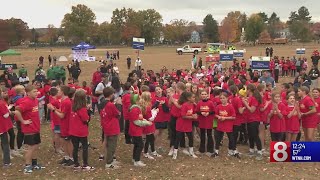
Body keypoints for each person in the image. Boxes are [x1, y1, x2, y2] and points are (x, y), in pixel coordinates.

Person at [14, 85, 44, 174]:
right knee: (31, 147)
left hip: (36, 127)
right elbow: (16, 111)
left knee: (36, 146)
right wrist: (23, 121)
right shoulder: (26, 101)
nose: (37, 93)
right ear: (28, 93)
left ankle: (34, 164)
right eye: (34, 92)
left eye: (36, 91)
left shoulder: (34, 100)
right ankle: (27, 166)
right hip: (29, 129)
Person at [47, 85, 74, 166]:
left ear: (62, 92)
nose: (57, 92)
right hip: (63, 124)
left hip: (67, 124)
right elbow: (61, 111)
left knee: (68, 142)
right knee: (64, 141)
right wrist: (54, 108)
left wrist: (53, 109)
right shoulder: (62, 101)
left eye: (58, 91)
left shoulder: (66, 101)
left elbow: (62, 115)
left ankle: (71, 158)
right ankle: (66, 157)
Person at [69, 89, 94, 170]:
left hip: (73, 130)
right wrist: (89, 112)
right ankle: (85, 164)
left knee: (75, 147)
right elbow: (86, 120)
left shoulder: (73, 106)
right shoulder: (82, 109)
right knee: (84, 147)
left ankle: (76, 164)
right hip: (81, 131)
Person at [172, 91, 198, 160]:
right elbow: (183, 115)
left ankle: (191, 152)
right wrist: (192, 117)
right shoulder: (185, 105)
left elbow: (193, 112)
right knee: (178, 138)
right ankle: (175, 153)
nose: (194, 98)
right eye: (193, 97)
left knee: (191, 138)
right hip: (181, 124)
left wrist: (194, 115)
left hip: (188, 124)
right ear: (188, 98)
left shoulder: (192, 105)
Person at [129, 94, 152, 167]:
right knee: (140, 144)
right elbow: (136, 121)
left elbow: (140, 118)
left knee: (136, 144)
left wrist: (144, 121)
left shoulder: (136, 108)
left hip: (136, 129)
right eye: (139, 99)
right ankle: (137, 160)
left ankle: (134, 158)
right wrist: (146, 123)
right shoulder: (135, 109)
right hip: (136, 130)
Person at [100, 87, 121, 169]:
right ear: (111, 95)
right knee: (112, 145)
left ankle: (111, 159)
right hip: (112, 127)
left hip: (106, 125)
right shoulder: (110, 105)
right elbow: (118, 114)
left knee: (109, 143)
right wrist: (119, 105)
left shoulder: (103, 103)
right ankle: (109, 163)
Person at [242, 84, 263, 160]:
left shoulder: (254, 98)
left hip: (254, 119)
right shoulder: (250, 98)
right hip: (249, 119)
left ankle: (259, 151)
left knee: (255, 135)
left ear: (249, 90)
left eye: (246, 90)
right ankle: (251, 149)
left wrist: (245, 104)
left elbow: (252, 110)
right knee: (250, 135)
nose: (246, 91)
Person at [196, 90, 214, 156]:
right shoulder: (199, 103)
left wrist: (208, 113)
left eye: (205, 94)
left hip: (208, 121)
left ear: (207, 95)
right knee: (202, 135)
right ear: (200, 95)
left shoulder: (210, 103)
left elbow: (213, 111)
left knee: (209, 135)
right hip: (202, 121)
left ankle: (210, 150)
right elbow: (197, 111)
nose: (203, 95)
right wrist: (201, 113)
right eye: (202, 94)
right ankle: (202, 149)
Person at [153, 86, 170, 152]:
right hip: (156, 118)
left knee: (161, 133)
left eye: (159, 89)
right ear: (155, 92)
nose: (158, 91)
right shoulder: (154, 99)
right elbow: (152, 108)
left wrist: (163, 104)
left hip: (163, 118)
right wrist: (156, 104)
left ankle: (159, 146)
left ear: (162, 90)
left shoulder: (165, 98)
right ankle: (151, 145)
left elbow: (167, 110)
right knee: (155, 133)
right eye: (156, 90)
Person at [0, 88, 12, 167]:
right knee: (5, 143)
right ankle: (7, 162)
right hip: (1, 126)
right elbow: (5, 115)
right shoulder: (1, 103)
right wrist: (8, 110)